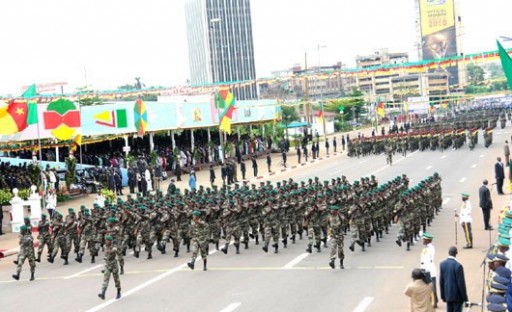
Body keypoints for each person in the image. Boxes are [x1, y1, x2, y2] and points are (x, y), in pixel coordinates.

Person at [439, 246, 468, 312]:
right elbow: (461, 284)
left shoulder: (442, 264)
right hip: (457, 297)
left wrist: (443, 296)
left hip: (448, 295)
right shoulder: (458, 266)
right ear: (456, 254)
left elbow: (441, 281)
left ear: (448, 253)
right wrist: (465, 298)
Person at [98, 235, 121, 300]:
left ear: (110, 241)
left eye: (107, 240)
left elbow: (116, 251)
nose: (106, 241)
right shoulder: (105, 246)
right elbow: (106, 257)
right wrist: (104, 268)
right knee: (105, 279)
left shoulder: (114, 246)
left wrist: (113, 251)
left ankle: (118, 292)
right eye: (106, 240)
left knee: (116, 279)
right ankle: (103, 293)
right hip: (107, 265)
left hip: (114, 265)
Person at [420, 232, 438, 308]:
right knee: (429, 286)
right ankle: (433, 301)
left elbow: (428, 260)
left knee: (431, 287)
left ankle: (434, 303)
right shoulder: (427, 248)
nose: (423, 241)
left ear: (427, 240)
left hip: (429, 270)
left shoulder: (430, 248)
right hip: (426, 269)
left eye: (424, 239)